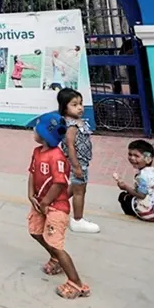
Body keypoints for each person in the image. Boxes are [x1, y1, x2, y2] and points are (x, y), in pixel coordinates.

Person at [27, 112, 90, 299]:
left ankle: (76, 283)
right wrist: (31, 194)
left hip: (56, 207)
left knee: (56, 244)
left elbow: (59, 183)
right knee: (35, 232)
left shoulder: (57, 157)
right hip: (40, 203)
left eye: (36, 129)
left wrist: (46, 202)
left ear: (45, 135)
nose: (33, 131)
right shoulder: (37, 152)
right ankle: (55, 258)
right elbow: (32, 173)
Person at [57, 89, 99, 233]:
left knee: (77, 188)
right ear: (64, 107)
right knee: (80, 190)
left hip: (82, 162)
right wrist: (76, 166)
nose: (80, 107)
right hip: (78, 163)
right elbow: (70, 146)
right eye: (74, 105)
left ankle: (54, 203)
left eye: (80, 103)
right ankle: (78, 220)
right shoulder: (71, 126)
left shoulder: (77, 122)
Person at [114, 139, 154, 223]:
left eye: (136, 156)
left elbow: (141, 195)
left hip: (149, 214)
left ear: (148, 159)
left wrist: (125, 187)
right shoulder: (152, 172)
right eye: (130, 154)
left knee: (124, 197)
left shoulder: (142, 176)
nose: (132, 158)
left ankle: (134, 216)